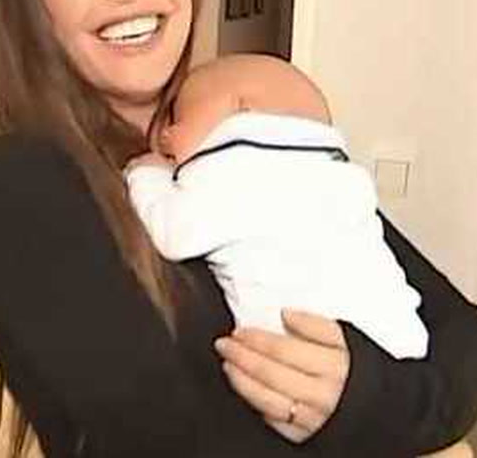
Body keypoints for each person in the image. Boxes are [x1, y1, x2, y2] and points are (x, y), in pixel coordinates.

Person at [0, 0, 477, 458]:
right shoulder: (19, 181)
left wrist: (362, 398)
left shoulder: (243, 140)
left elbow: (472, 346)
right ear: (31, 5)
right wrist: (404, 425)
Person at [125, 53, 429, 360]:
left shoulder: (236, 176)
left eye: (179, 118)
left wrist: (148, 174)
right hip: (400, 335)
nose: (166, 136)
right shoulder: (343, 179)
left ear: (243, 114)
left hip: (292, 353)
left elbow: (172, 232)